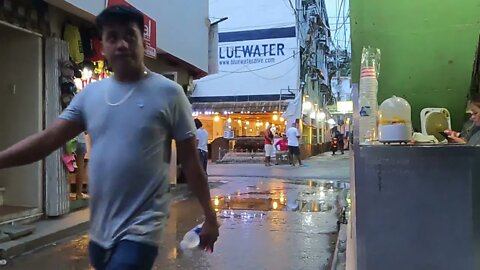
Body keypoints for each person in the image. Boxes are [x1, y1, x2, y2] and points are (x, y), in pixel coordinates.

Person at [0, 5, 218, 270]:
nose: (122, 44)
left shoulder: (169, 93)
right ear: (103, 46)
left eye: (130, 35)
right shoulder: (90, 96)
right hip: (100, 231)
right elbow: (47, 141)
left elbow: (191, 163)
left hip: (142, 230)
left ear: (143, 40)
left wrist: (210, 217)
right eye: (113, 37)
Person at [75, 131, 88, 199]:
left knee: (67, 166)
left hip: (68, 141)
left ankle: (64, 194)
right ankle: (79, 194)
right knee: (80, 168)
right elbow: (86, 130)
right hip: (80, 141)